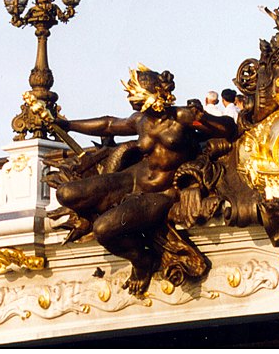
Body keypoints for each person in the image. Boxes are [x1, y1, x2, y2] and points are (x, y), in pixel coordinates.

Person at [52, 66, 236, 295]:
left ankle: (141, 261)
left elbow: (229, 129)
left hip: (163, 192)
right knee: (66, 193)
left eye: (134, 95)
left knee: (103, 229)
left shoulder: (182, 117)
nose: (130, 100)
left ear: (151, 95)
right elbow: (108, 124)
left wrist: (204, 118)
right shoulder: (140, 120)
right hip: (130, 180)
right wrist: (68, 125)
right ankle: (120, 217)